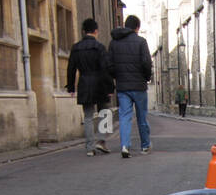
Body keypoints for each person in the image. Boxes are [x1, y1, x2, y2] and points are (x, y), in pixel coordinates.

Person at [65, 17, 113, 156]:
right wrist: (110, 88)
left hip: (84, 82)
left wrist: (71, 87)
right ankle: (102, 141)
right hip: (100, 82)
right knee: (105, 112)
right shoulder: (99, 47)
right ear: (96, 31)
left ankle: (90, 147)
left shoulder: (76, 48)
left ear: (83, 31)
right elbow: (106, 68)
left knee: (88, 116)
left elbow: (71, 68)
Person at [109, 15, 153, 157]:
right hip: (139, 86)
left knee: (125, 116)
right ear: (137, 28)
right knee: (142, 117)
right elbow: (147, 63)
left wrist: (117, 77)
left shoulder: (114, 43)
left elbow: (109, 65)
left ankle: (125, 145)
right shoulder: (141, 42)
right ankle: (145, 146)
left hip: (123, 86)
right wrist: (147, 77)